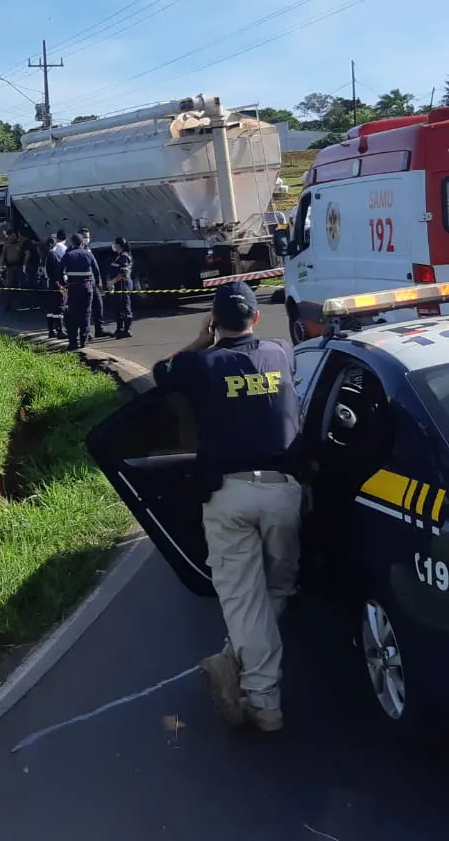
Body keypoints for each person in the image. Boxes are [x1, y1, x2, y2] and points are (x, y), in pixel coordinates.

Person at [154, 282, 302, 734]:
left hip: (230, 496)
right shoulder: (281, 354)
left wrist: (200, 341)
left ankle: (262, 702)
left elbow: (162, 373)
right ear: (256, 318)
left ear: (214, 321)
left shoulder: (202, 363)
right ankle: (235, 657)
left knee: (244, 602)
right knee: (277, 589)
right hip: (285, 494)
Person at [60, 233, 95, 349]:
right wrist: (97, 285)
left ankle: (73, 342)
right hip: (87, 288)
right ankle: (84, 340)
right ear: (82, 243)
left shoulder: (68, 255)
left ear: (72, 243)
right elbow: (96, 271)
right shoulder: (88, 254)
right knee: (86, 314)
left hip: (73, 288)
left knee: (72, 315)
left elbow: (59, 271)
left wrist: (64, 284)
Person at [79, 228, 109, 339]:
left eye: (88, 237)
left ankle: (99, 329)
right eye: (85, 237)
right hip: (83, 283)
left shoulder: (89, 249)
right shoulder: (75, 250)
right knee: (85, 308)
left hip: (92, 281)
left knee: (98, 304)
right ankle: (85, 333)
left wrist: (99, 281)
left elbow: (95, 267)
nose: (87, 239)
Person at [44, 229, 68, 339]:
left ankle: (51, 330)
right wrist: (61, 285)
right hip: (56, 284)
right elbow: (57, 272)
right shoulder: (53, 255)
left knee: (51, 308)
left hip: (50, 284)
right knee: (59, 307)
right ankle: (60, 330)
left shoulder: (47, 255)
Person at [109, 237, 133, 338]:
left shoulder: (124, 257)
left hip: (123, 285)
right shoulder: (119, 256)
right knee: (118, 308)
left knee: (125, 307)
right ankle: (119, 329)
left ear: (119, 245)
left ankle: (126, 330)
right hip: (118, 285)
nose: (113, 246)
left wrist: (112, 282)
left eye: (115, 244)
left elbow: (124, 273)